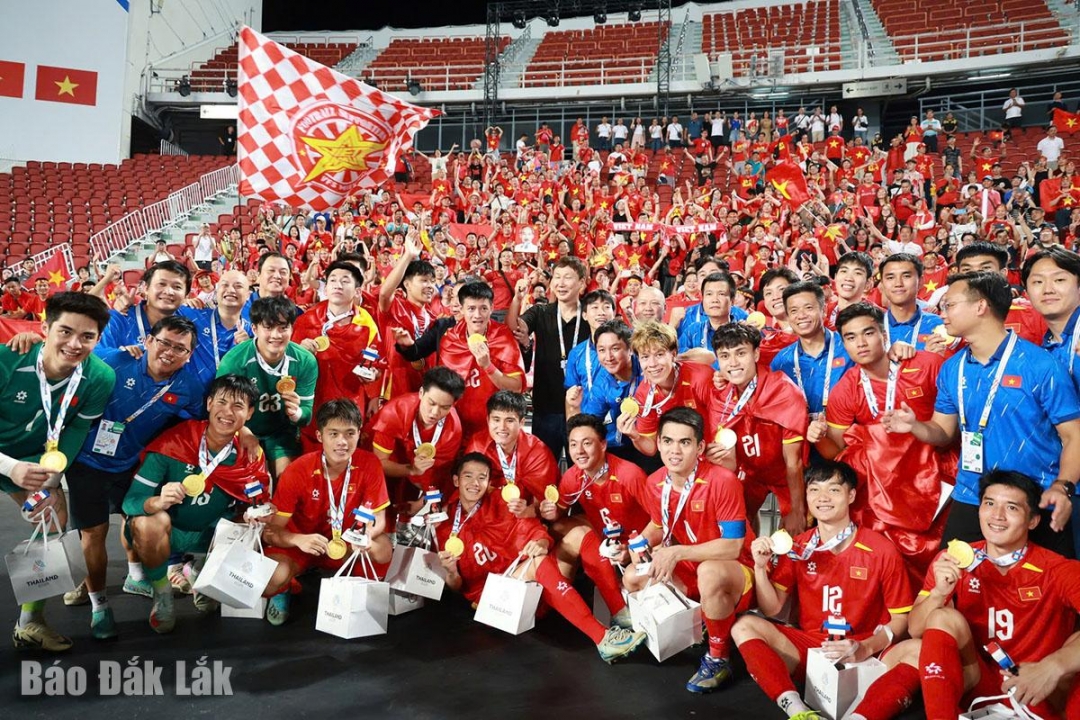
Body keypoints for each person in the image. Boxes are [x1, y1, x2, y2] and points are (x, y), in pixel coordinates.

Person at [848, 471, 1080, 720]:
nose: (997, 515)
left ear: (1032, 520)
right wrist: (938, 593)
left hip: (1035, 688)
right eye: (989, 503)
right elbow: (915, 630)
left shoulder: (1058, 569)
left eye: (1011, 507)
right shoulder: (954, 559)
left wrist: (1053, 666)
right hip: (979, 683)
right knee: (941, 618)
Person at [883, 272, 1080, 558]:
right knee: (949, 575)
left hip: (1036, 498)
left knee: (1045, 582)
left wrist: (1062, 487)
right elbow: (943, 431)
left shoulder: (1041, 365)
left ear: (980, 306)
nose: (941, 313)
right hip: (972, 493)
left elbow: (1074, 435)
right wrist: (915, 426)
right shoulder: (952, 368)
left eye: (949, 305)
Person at [732, 460, 913, 720]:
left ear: (851, 495)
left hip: (865, 649)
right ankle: (798, 712)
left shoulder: (881, 549)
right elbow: (772, 609)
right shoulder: (797, 547)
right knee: (744, 626)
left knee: (918, 650)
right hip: (814, 649)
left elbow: (901, 619)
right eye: (814, 490)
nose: (822, 498)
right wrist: (760, 568)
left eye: (834, 490)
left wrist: (865, 647)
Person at [61, 316, 206, 638]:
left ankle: (141, 579)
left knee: (139, 522)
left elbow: (203, 422)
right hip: (86, 462)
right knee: (93, 534)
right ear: (148, 341)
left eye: (180, 348)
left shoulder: (189, 387)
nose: (169, 352)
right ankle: (99, 606)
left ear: (189, 355)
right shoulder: (115, 360)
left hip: (131, 465)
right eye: (164, 342)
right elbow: (67, 359)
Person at [434, 453, 647, 663]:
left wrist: (541, 542)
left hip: (533, 585)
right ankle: (603, 638)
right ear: (456, 480)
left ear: (489, 482)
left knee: (579, 534)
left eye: (482, 477)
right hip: (499, 602)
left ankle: (620, 611)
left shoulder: (501, 502)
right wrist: (451, 572)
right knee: (537, 563)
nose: (475, 483)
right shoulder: (444, 525)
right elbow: (457, 587)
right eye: (468, 476)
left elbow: (533, 529)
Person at [2, 292, 115, 652]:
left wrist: (51, 479)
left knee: (52, 519)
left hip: (33, 460)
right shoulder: (7, 359)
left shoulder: (99, 377)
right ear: (45, 327)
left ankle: (29, 622)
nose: (75, 344)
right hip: (8, 460)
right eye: (65, 331)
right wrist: (10, 467)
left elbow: (77, 429)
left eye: (87, 336)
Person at [122, 374, 271, 634]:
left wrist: (256, 513)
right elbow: (131, 502)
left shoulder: (250, 454)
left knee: (257, 528)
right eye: (221, 402)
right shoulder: (176, 441)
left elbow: (261, 502)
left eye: (238, 406)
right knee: (147, 522)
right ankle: (162, 593)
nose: (227, 412)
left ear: (249, 413)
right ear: (209, 403)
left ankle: (205, 575)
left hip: (210, 534)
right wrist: (158, 500)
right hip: (169, 533)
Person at [817, 302, 952, 585]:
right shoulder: (845, 389)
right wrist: (818, 438)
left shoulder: (927, 365)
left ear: (884, 334)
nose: (860, 343)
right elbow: (838, 451)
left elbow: (953, 428)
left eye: (868, 333)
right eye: (850, 337)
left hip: (935, 478)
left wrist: (915, 428)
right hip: (883, 488)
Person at [622, 407, 756, 693]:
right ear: (658, 444)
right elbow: (658, 524)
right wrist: (639, 543)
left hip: (735, 572)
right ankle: (705, 622)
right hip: (689, 565)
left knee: (709, 572)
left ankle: (719, 656)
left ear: (700, 447)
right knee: (633, 576)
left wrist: (676, 552)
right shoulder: (655, 482)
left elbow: (733, 546)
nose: (675, 450)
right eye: (668, 441)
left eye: (684, 442)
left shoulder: (723, 480)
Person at [263, 399, 392, 625]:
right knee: (273, 577)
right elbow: (271, 532)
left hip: (346, 544)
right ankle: (285, 586)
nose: (342, 442)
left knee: (383, 550)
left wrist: (365, 537)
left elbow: (378, 520)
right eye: (333, 434)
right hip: (303, 544)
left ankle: (355, 588)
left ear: (359, 434)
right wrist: (297, 540)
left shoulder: (370, 463)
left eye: (349, 433)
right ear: (320, 436)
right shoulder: (297, 470)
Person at [538, 413, 647, 625]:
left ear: (603, 445)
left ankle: (620, 607)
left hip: (638, 541)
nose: (579, 451)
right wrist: (550, 512)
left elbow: (660, 521)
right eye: (573, 444)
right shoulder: (572, 476)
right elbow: (560, 513)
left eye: (587, 443)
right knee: (558, 528)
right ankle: (556, 598)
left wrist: (633, 547)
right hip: (605, 536)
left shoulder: (629, 475)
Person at [706, 323, 809, 535]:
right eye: (724, 356)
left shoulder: (783, 391)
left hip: (787, 475)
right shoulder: (720, 398)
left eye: (740, 353)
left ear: (756, 354)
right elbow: (729, 463)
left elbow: (794, 461)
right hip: (750, 475)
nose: (733, 363)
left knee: (797, 532)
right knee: (729, 527)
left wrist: (797, 510)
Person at [216, 296, 318, 480]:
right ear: (254, 329)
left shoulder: (305, 361)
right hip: (241, 429)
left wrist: (296, 413)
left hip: (281, 433)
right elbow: (220, 410)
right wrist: (242, 431)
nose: (276, 335)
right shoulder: (234, 361)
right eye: (268, 327)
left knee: (287, 480)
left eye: (283, 327)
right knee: (251, 486)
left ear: (292, 328)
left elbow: (306, 416)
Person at [291, 261, 382, 447]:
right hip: (314, 400)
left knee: (344, 449)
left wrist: (373, 379)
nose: (337, 285)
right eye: (332, 280)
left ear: (357, 291)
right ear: (326, 287)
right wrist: (300, 352)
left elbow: (376, 363)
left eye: (345, 281)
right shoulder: (306, 320)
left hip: (350, 402)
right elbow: (289, 364)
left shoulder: (367, 324)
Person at [508, 257, 591, 460]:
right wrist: (517, 299)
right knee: (544, 465)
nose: (561, 283)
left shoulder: (590, 314)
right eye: (557, 277)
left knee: (581, 467)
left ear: (581, 282)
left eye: (567, 277)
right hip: (546, 406)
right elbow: (515, 328)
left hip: (584, 406)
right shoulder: (541, 311)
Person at [368, 366, 465, 507]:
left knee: (407, 504)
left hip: (416, 473)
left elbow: (439, 476)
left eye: (444, 407)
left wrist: (422, 502)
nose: (435, 412)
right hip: (386, 463)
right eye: (431, 403)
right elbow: (379, 463)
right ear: (421, 393)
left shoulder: (453, 430)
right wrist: (412, 469)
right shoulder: (394, 413)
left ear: (453, 405)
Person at [438, 281, 525, 438]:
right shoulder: (450, 340)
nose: (477, 315)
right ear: (461, 309)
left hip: (495, 430)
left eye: (483, 308)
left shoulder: (504, 338)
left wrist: (488, 366)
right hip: (457, 428)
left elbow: (516, 387)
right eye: (471, 308)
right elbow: (442, 389)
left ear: (492, 308)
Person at [616, 320, 714, 458]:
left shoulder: (700, 377)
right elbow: (651, 448)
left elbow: (724, 421)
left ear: (673, 354)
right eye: (645, 357)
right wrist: (634, 436)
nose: (652, 364)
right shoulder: (644, 394)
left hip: (714, 453)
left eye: (659, 354)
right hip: (679, 459)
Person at [770, 281, 854, 419]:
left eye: (808, 308)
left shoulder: (849, 347)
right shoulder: (781, 361)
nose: (801, 315)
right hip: (802, 431)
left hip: (848, 429)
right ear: (788, 317)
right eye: (794, 311)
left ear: (824, 310)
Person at [464, 390, 558, 511]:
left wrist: (529, 511)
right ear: (488, 420)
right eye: (496, 419)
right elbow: (466, 489)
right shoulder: (477, 445)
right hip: (484, 512)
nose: (502, 427)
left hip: (522, 514)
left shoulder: (537, 452)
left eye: (509, 420)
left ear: (521, 422)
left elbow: (543, 500)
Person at [378, 237, 436, 397]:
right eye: (424, 281)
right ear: (407, 284)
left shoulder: (433, 319)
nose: (430, 286)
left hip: (425, 391)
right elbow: (384, 294)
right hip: (396, 390)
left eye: (432, 281)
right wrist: (408, 255)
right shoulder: (395, 307)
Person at [97, 260, 192, 351]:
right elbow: (97, 354)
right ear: (145, 288)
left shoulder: (193, 321)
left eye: (177, 287)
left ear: (186, 295)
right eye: (161, 284)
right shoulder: (117, 320)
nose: (168, 292)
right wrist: (123, 355)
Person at [185, 269, 252, 386]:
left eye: (238, 286)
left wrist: (249, 349)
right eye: (224, 285)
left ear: (248, 295)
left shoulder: (253, 332)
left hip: (231, 395)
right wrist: (180, 301)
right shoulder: (194, 316)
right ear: (217, 291)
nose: (230, 290)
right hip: (192, 395)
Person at [564, 289, 616, 420]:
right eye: (595, 307)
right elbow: (571, 395)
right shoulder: (576, 354)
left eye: (606, 307)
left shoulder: (629, 349)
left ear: (614, 313)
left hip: (622, 424)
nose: (601, 312)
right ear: (585, 315)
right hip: (589, 422)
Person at [878, 254, 945, 352]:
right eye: (890, 277)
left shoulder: (939, 325)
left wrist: (928, 357)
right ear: (882, 284)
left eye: (906, 276)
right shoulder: (872, 326)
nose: (898, 283)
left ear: (921, 281)